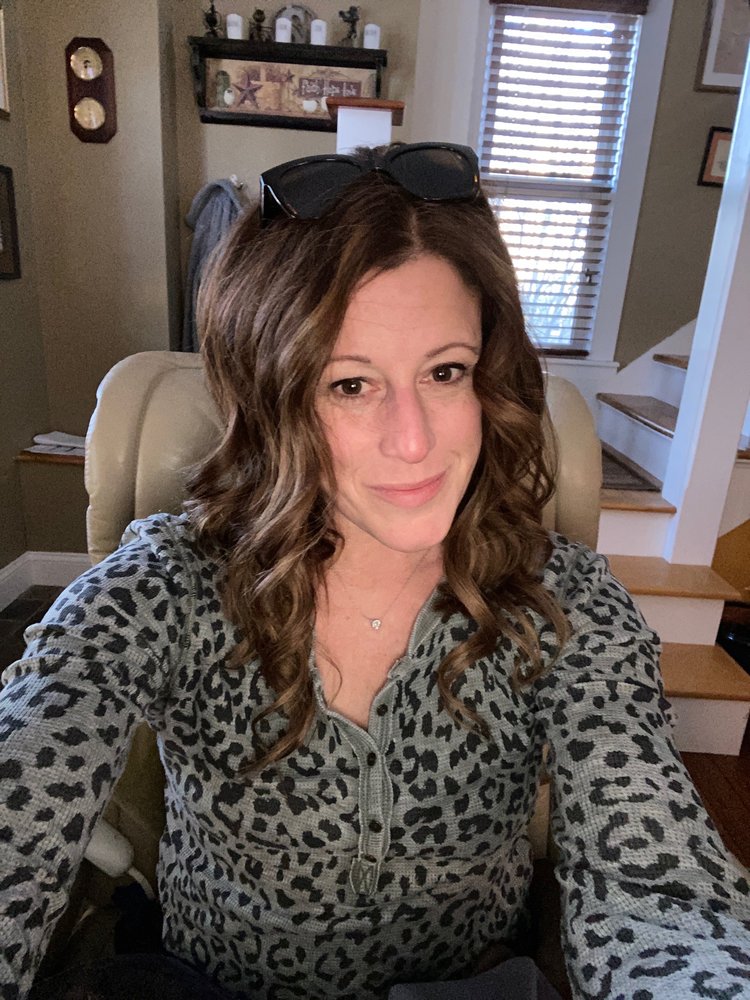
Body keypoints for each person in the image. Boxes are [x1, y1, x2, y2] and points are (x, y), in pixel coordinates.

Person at [1, 143, 749, 1000]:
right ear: (272, 399)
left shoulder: (563, 600)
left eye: (445, 371)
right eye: (350, 385)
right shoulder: (169, 585)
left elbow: (663, 892)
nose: (414, 441)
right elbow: (24, 776)